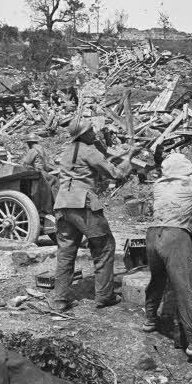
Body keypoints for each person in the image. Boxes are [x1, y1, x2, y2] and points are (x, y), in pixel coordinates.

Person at [142, 153, 192, 360]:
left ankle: (150, 320)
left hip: (152, 235)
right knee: (185, 289)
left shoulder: (158, 185)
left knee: (157, 279)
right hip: (175, 237)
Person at [49, 118, 129, 312]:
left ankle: (60, 300)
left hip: (62, 205)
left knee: (66, 252)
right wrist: (129, 158)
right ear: (83, 134)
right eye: (91, 131)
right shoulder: (90, 151)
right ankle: (104, 296)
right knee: (104, 246)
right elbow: (116, 174)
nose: (94, 133)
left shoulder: (66, 152)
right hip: (82, 205)